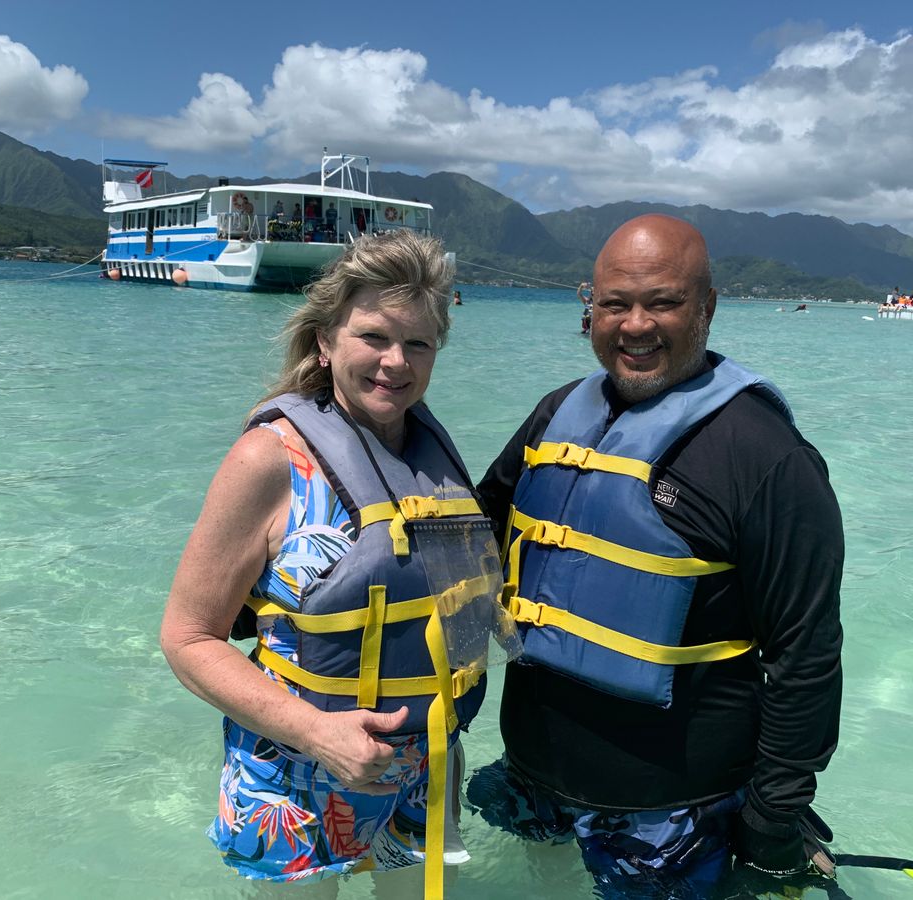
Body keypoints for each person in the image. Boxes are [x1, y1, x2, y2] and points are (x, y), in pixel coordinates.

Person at [469, 214, 844, 898]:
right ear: (590, 307)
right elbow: (473, 534)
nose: (635, 325)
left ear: (707, 307)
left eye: (663, 302)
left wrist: (771, 823)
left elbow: (806, 656)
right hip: (534, 772)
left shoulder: (766, 457)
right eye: (615, 303)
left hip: (673, 810)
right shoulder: (557, 412)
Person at [161, 231, 511, 893]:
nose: (395, 363)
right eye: (373, 336)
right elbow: (186, 639)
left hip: (422, 768)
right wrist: (317, 732)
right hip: (295, 774)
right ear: (325, 341)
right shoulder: (268, 460)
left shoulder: (428, 451)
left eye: (418, 344)